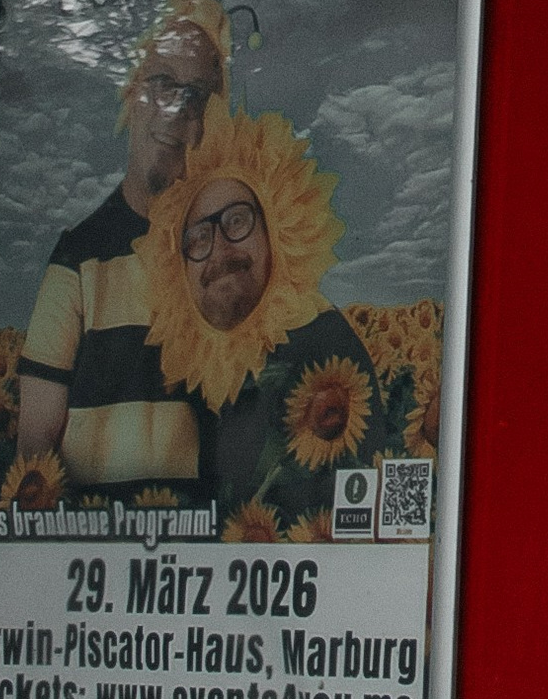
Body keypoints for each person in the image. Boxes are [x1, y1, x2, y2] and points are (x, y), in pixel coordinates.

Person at [12, 0, 229, 496]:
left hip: (200, 554)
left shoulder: (227, 255)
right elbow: (34, 458)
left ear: (207, 121)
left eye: (196, 94)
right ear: (132, 95)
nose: (177, 111)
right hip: (94, 555)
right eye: (162, 83)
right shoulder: (78, 258)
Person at [138, 99, 380, 526]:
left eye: (236, 220)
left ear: (276, 232)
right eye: (198, 237)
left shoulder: (327, 350)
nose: (219, 250)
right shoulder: (172, 373)